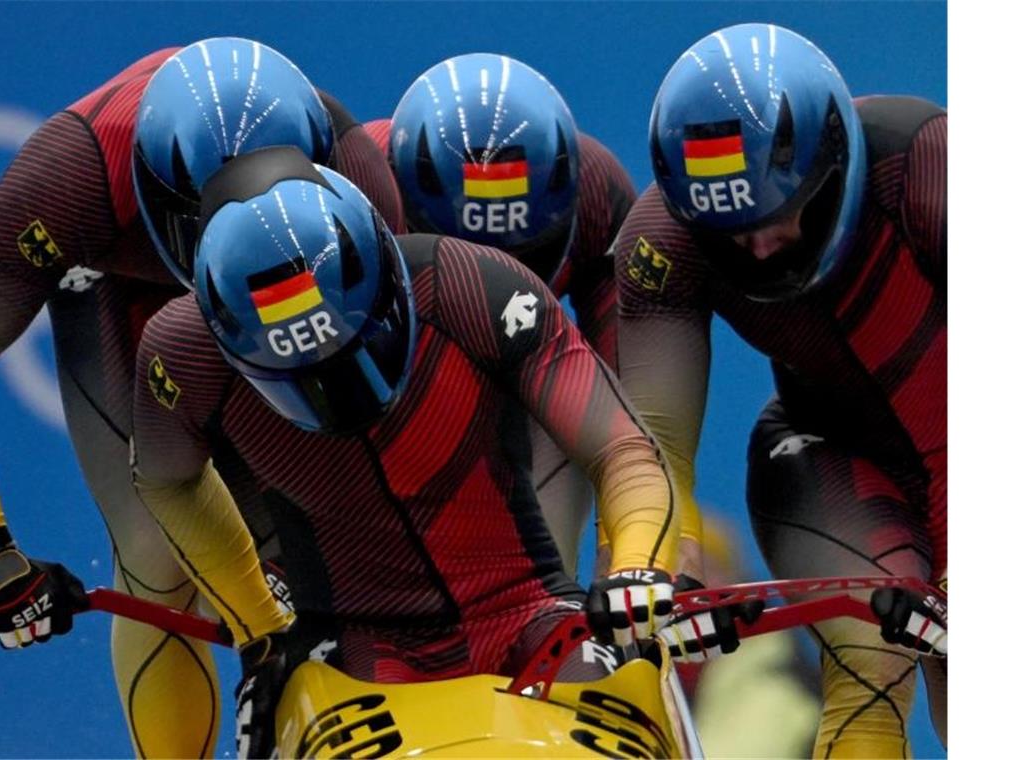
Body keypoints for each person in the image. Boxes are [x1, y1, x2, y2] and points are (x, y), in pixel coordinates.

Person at [0, 37, 402, 758]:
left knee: (335, 546)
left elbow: (414, 366)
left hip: (285, 304)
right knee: (156, 558)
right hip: (117, 297)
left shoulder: (350, 169)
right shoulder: (71, 177)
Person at [129, 146, 679, 758]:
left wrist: (636, 565)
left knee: (632, 682)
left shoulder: (471, 286)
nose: (334, 387)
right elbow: (168, 482)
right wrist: (261, 628)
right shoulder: (182, 357)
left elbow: (620, 448)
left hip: (529, 614)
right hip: (359, 648)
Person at [614, 23, 946, 757]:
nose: (759, 246)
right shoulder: (664, 242)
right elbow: (652, 451)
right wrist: (664, 564)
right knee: (869, 676)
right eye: (730, 231)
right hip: (826, 458)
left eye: (775, 214)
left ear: (833, 165)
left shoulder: (926, 166)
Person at [361, 54, 638, 576]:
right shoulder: (359, 191)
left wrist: (630, 553)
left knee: (577, 405)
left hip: (527, 370)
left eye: (518, 256)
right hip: (400, 390)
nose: (492, 287)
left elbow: (624, 400)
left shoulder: (598, 194)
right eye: (461, 259)